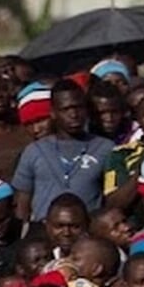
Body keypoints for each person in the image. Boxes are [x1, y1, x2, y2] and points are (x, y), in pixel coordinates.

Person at [12, 81, 116, 223]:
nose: (73, 114)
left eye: (78, 107)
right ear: (53, 113)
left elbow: (112, 199)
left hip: (88, 233)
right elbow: (22, 202)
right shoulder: (34, 151)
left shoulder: (106, 148)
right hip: (42, 232)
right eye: (65, 109)